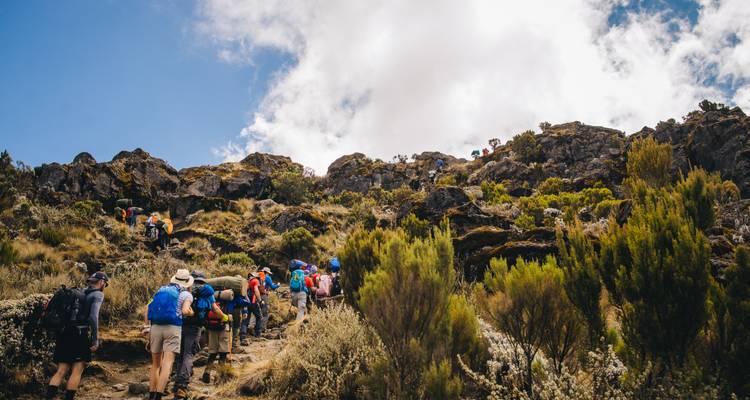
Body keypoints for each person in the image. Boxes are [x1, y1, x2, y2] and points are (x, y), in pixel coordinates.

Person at [47, 272, 108, 400]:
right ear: (102, 282)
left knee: (61, 371)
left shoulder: (80, 292)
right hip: (79, 335)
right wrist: (95, 339)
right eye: (105, 284)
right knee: (77, 370)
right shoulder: (98, 294)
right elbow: (93, 317)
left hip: (64, 334)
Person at [172, 271, 228, 400]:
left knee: (180, 354)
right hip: (195, 326)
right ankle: (182, 386)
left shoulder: (185, 289)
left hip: (179, 325)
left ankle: (176, 382)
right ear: (203, 280)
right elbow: (215, 309)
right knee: (188, 354)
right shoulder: (207, 292)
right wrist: (224, 317)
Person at [144, 269, 194, 400]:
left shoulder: (160, 290)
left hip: (155, 328)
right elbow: (184, 311)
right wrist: (191, 312)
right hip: (173, 328)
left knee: (155, 364)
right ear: (187, 282)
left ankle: (151, 395)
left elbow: (147, 308)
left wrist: (147, 327)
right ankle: (159, 395)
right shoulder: (186, 295)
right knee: (168, 363)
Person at [201, 289, 235, 384]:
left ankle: (207, 372)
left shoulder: (210, 298)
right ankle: (219, 375)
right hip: (223, 327)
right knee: (223, 352)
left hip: (211, 328)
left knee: (212, 352)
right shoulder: (228, 300)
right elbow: (230, 313)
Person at [241, 272, 264, 344]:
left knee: (245, 319)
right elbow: (256, 290)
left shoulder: (247, 281)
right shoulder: (255, 281)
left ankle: (243, 336)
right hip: (253, 302)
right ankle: (258, 334)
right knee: (259, 317)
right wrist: (260, 300)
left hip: (246, 302)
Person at [259, 267, 278, 333]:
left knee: (257, 312)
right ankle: (262, 329)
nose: (269, 274)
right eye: (268, 273)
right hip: (263, 296)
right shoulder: (267, 277)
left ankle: (253, 327)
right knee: (265, 313)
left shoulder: (257, 275)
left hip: (255, 296)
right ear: (266, 272)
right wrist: (277, 285)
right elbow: (273, 287)